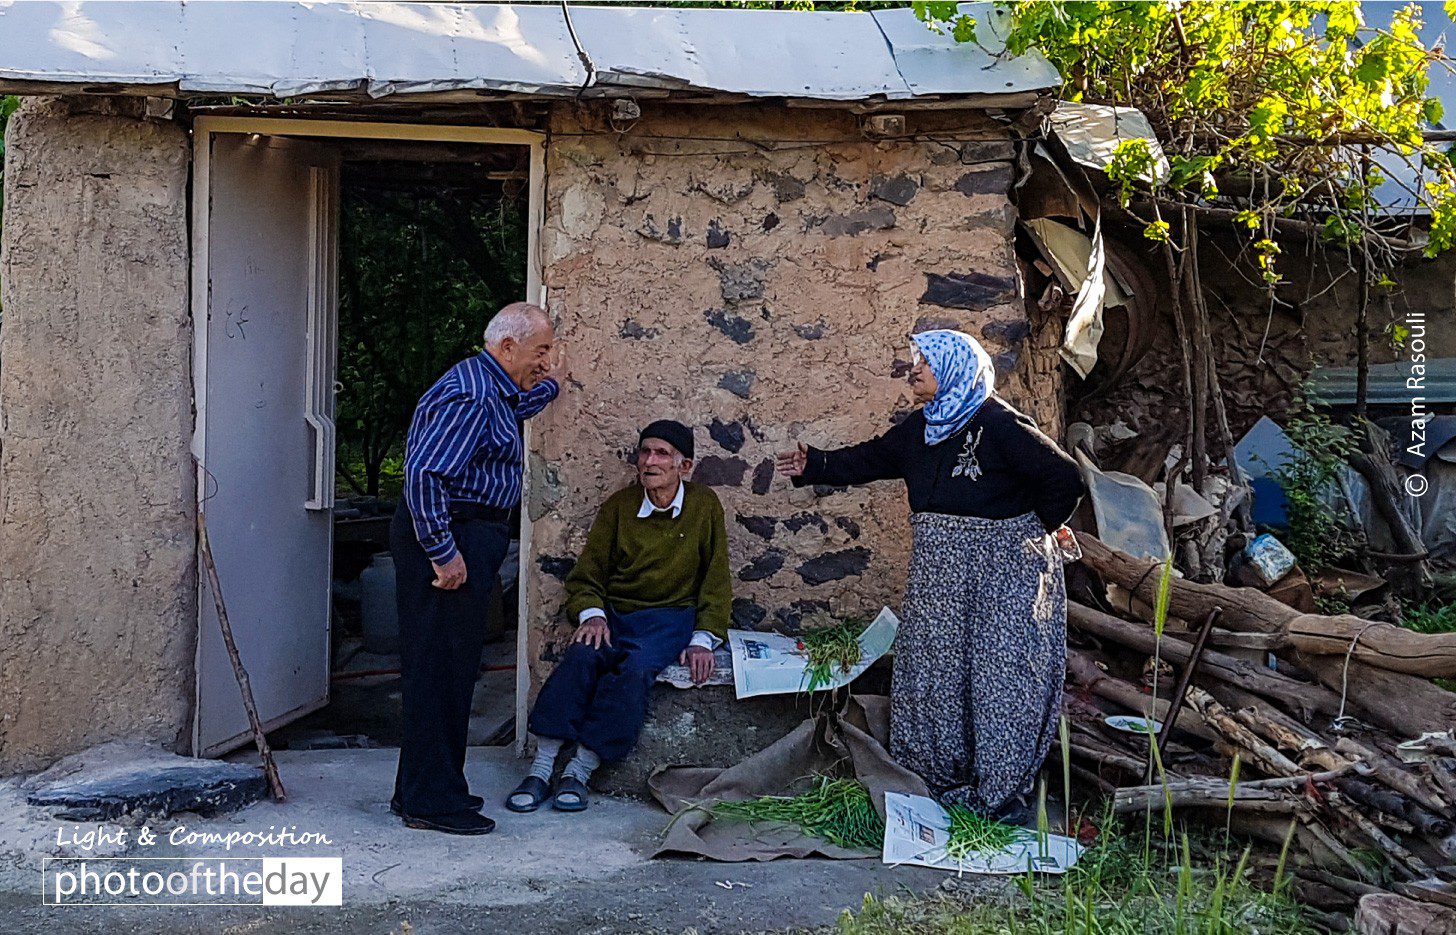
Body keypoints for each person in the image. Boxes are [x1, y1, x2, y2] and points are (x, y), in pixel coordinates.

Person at [776, 330, 1085, 821]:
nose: (914, 369)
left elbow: (1064, 478)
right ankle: (935, 776)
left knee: (998, 674)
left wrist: (1026, 533)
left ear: (956, 369)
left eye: (926, 361)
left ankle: (999, 789)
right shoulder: (921, 429)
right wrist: (815, 464)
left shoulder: (998, 425)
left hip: (1003, 580)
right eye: (915, 359)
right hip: (940, 580)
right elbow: (871, 458)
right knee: (935, 671)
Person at [389, 302, 562, 835]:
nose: (547, 361)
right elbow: (424, 475)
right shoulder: (470, 392)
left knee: (450, 667)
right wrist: (443, 553)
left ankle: (431, 788)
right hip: (451, 536)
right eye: (541, 352)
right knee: (439, 670)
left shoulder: (492, 388)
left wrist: (549, 389)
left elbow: (510, 413)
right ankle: (429, 801)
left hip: (468, 534)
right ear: (507, 347)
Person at [507, 420, 731, 813]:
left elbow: (716, 581)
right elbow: (587, 576)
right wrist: (593, 616)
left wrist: (703, 639)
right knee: (582, 656)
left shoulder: (704, 506)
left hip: (670, 617)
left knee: (635, 669)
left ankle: (579, 770)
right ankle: (541, 769)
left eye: (662, 453)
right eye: (645, 452)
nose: (650, 461)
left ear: (686, 466)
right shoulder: (619, 508)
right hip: (616, 613)